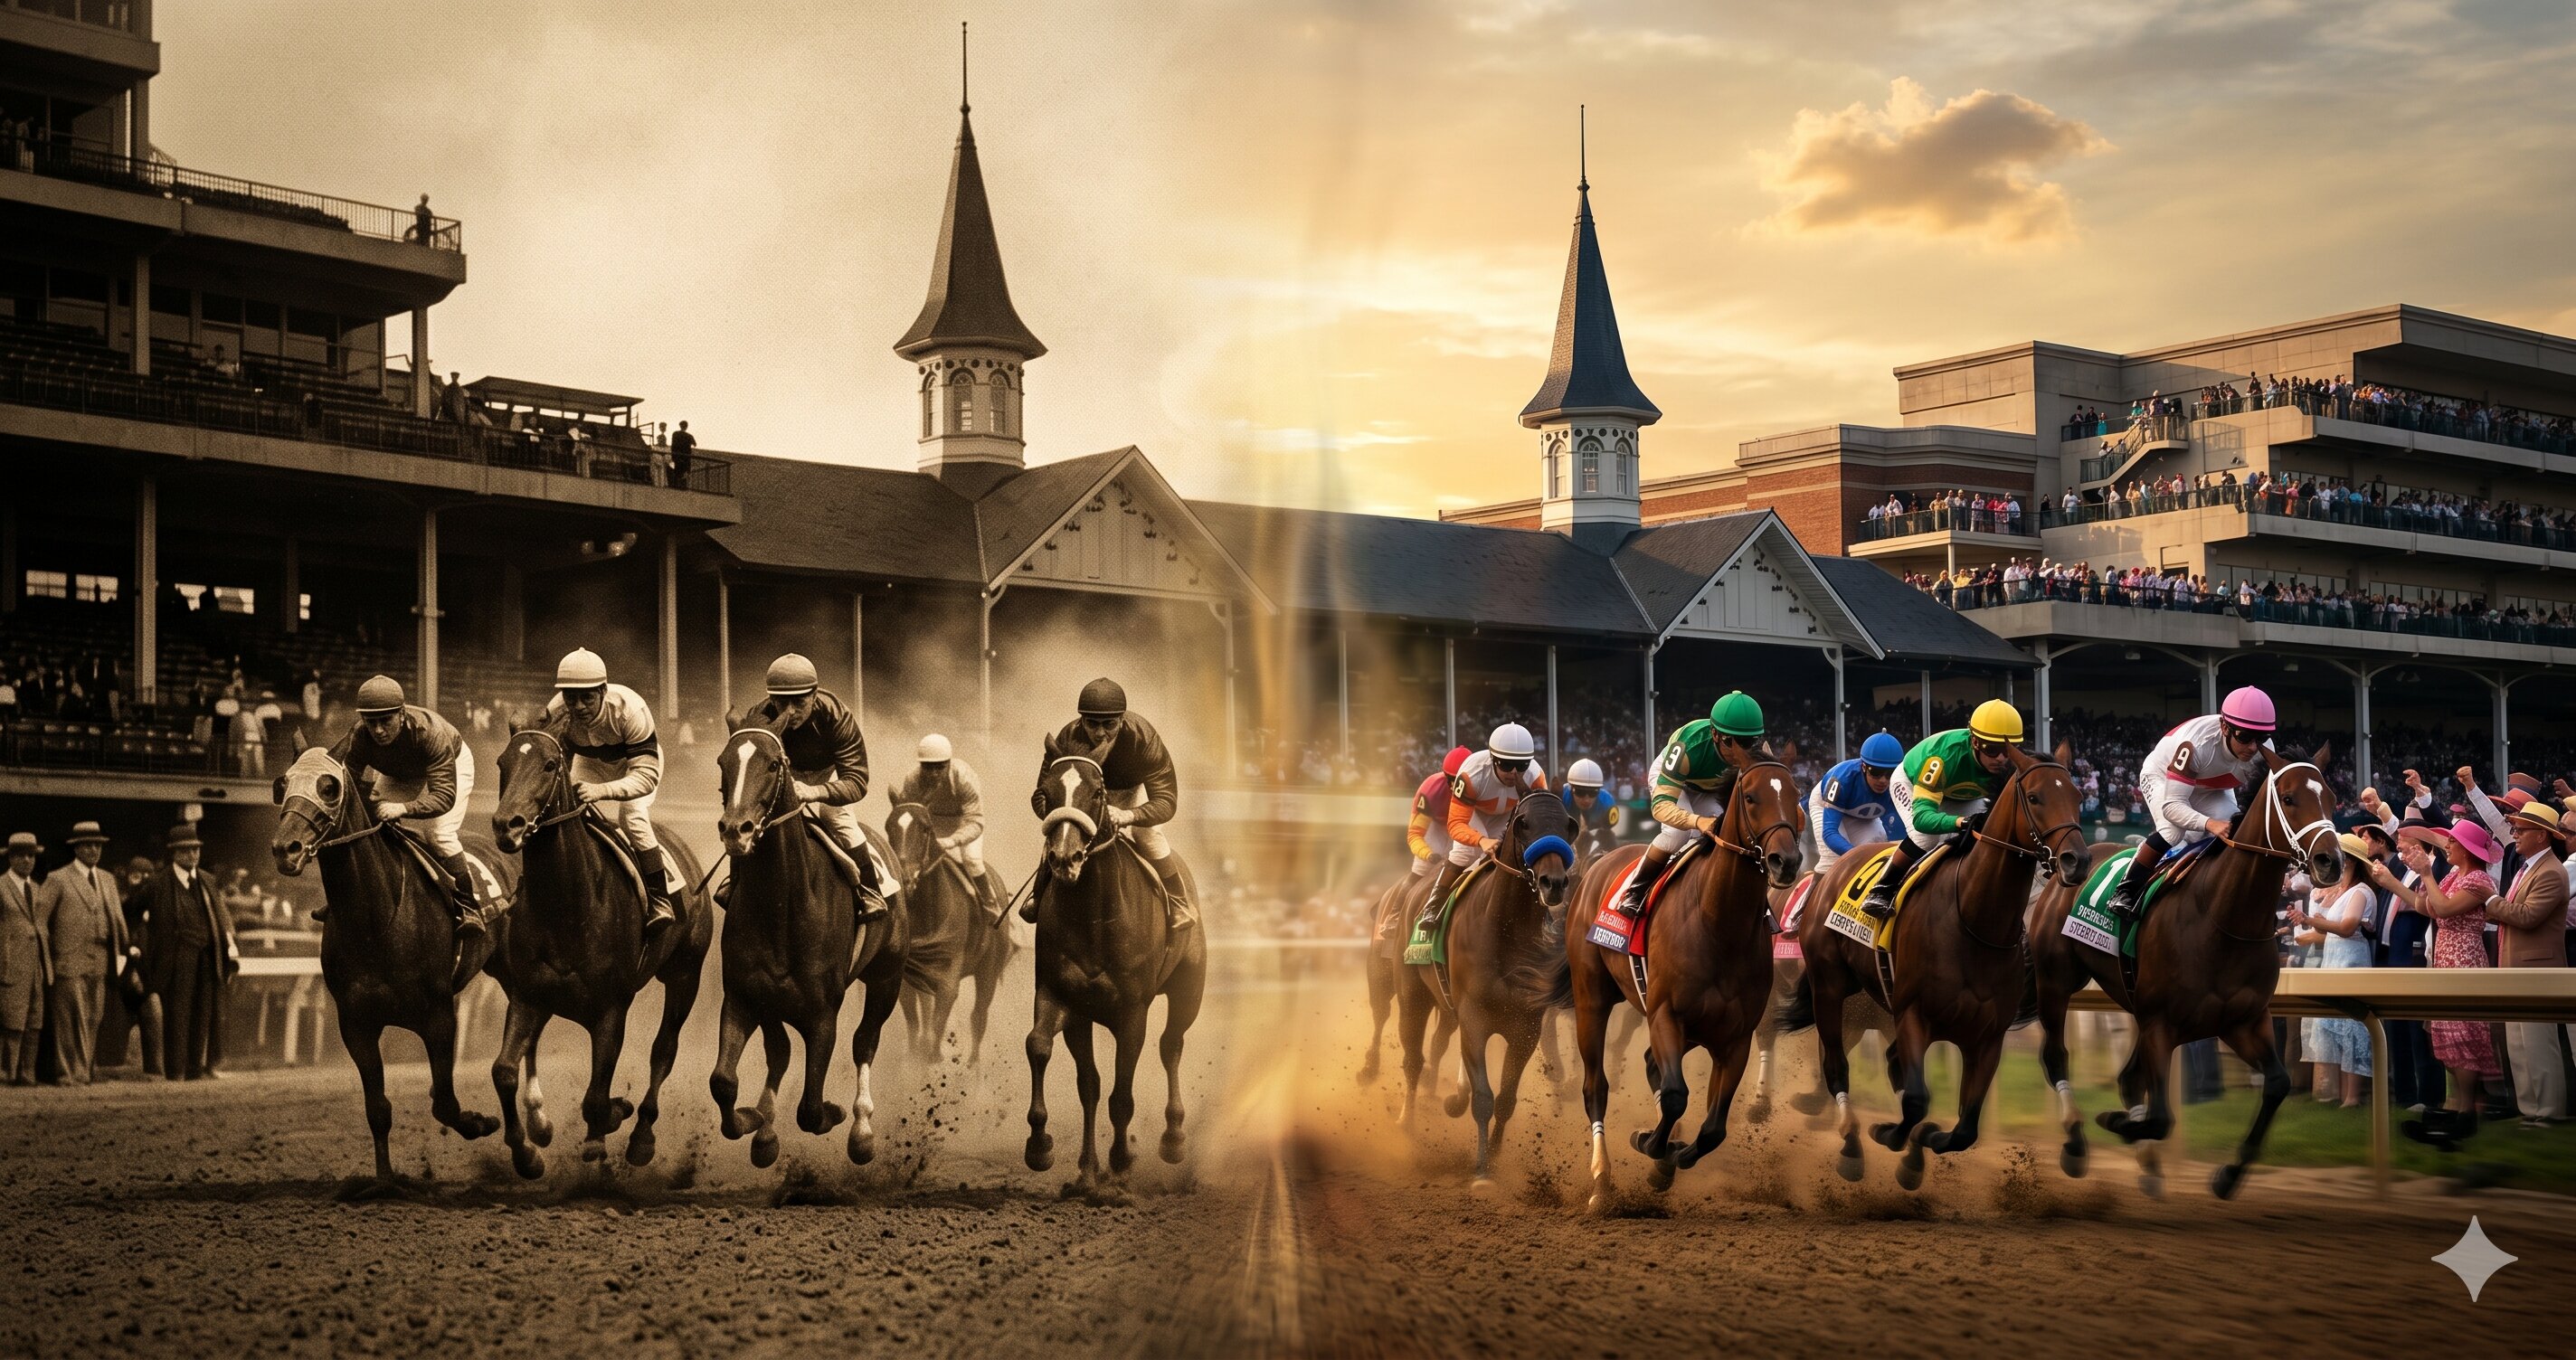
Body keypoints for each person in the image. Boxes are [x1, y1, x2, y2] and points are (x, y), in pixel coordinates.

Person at [319, 675, 488, 935]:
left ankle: (468, 905)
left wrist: (404, 808)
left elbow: (444, 796)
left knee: (438, 834)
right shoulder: (360, 735)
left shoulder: (431, 733)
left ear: (401, 713)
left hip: (451, 763)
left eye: (385, 721)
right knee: (367, 821)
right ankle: (343, 899)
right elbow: (348, 782)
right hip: (401, 772)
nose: (378, 731)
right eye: (370, 722)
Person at [1027, 678, 1193, 930]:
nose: (1100, 733)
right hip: (1084, 798)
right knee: (1062, 837)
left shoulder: (1143, 738)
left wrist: (1129, 815)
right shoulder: (1066, 739)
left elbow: (1167, 801)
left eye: (1109, 724)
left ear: (1122, 720)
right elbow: (1042, 795)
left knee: (1147, 835)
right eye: (1092, 724)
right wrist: (1063, 816)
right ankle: (1037, 897)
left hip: (1130, 794)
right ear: (1082, 720)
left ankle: (1178, 902)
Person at [2104, 686, 2277, 921]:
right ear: (2225, 727)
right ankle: (2126, 890)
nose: (2253, 748)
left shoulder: (2265, 752)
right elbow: (2172, 806)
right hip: (2162, 776)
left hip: (2211, 787)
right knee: (2173, 831)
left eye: (2261, 738)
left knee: (2237, 831)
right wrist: (2209, 823)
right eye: (2244, 737)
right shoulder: (2196, 743)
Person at [544, 647, 677, 939]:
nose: (577, 706)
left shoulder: (631, 709)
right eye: (570, 697)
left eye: (587, 697)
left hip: (635, 765)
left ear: (603, 690)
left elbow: (646, 777)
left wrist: (601, 790)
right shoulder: (555, 711)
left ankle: (659, 899)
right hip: (589, 762)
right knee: (562, 815)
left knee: (633, 818)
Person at [744, 654, 886, 923]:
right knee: (749, 819)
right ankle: (735, 880)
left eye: (799, 702)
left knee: (839, 819)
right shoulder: (759, 716)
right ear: (769, 697)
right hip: (781, 773)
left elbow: (857, 780)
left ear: (815, 694)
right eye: (780, 701)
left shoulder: (838, 717)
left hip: (827, 775)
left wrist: (815, 792)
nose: (789, 712)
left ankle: (869, 891)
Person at [1860, 699, 2025, 921]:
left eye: (2007, 750)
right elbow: (1922, 819)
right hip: (1911, 782)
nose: (2001, 759)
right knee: (1926, 837)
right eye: (1993, 750)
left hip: (1964, 795)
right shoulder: (1942, 758)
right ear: (1975, 742)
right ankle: (1882, 888)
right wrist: (1960, 822)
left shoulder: (2010, 763)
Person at [2394, 820, 2503, 1148]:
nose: (2448, 848)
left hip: (2465, 960)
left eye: (2453, 843)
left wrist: (2426, 873)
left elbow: (2441, 907)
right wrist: (2388, 881)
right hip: (2448, 959)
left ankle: (2467, 1112)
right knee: (2448, 1038)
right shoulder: (2456, 875)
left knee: (2463, 1038)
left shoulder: (2479, 880)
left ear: (2468, 849)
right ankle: (2462, 1109)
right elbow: (2425, 906)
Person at [1614, 693, 1766, 921]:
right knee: (1678, 835)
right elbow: (1661, 807)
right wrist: (1697, 820)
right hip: (1676, 781)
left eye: (1748, 743)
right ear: (1714, 734)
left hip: (1710, 790)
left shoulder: (1760, 751)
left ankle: (1758, 903)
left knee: (1729, 836)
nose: (1739, 752)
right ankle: (1635, 891)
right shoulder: (1688, 745)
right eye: (1729, 742)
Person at [2486, 799, 2569, 1126]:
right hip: (2517, 966)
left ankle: (2550, 1112)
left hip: (2537, 970)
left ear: (2542, 836)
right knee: (2519, 1045)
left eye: (2521, 829)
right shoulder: (2530, 868)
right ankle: (2530, 1110)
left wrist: (2490, 901)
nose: (2514, 833)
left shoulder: (2551, 872)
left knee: (2538, 1044)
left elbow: (2528, 916)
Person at [135, 824, 235, 1081]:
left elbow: (222, 919)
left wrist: (229, 950)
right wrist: (138, 946)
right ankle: (175, 1071)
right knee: (177, 1015)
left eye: (196, 850)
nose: (192, 855)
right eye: (186, 850)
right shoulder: (157, 884)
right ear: (174, 854)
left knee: (203, 1014)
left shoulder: (207, 881)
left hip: (206, 958)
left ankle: (195, 1070)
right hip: (174, 960)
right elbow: (130, 913)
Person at [2287, 834, 2376, 1108]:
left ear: (2347, 860)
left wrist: (2309, 920)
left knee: (2352, 1028)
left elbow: (2348, 927)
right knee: (2336, 1026)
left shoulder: (2361, 891)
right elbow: (2332, 925)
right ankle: (2341, 1095)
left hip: (2351, 961)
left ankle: (2352, 1097)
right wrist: (2313, 921)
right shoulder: (2344, 891)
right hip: (2335, 959)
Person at [34, 821, 127, 1085]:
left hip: (100, 959)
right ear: (75, 848)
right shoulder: (58, 879)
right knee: (67, 1019)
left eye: (97, 845)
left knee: (93, 1016)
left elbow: (118, 921)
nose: (93, 850)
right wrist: (50, 956)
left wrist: (121, 952)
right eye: (87, 845)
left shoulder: (107, 880)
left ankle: (85, 1070)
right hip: (68, 958)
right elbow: (40, 919)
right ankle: (67, 1073)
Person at [888, 732, 999, 920]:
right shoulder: (912, 779)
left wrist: (952, 840)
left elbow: (976, 821)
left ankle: (990, 904)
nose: (933, 774)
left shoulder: (964, 777)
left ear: (949, 763)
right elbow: (909, 815)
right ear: (920, 765)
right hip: (931, 823)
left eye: (940, 768)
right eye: (928, 768)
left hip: (964, 822)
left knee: (971, 859)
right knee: (910, 860)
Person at [1809, 731, 1907, 878]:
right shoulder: (1841, 780)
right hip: (1826, 804)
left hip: (1860, 813)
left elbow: (1901, 836)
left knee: (1878, 849)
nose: (1883, 780)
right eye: (1876, 772)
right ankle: (1807, 900)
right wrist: (1857, 855)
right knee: (1834, 861)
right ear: (1863, 767)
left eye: (1890, 774)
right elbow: (1829, 832)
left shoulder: (1900, 785)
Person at [0, 832, 48, 1086]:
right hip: (10, 964)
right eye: (21, 856)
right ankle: (7, 1073)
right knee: (11, 1020)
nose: (27, 861)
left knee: (34, 1020)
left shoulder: (38, 889)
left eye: (31, 856)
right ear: (11, 858)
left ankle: (28, 1072)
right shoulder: (1, 887)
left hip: (36, 967)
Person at [1405, 746, 1473, 883]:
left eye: (1463, 779)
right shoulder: (1430, 790)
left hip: (1465, 828)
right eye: (1454, 780)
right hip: (1436, 830)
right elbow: (1414, 834)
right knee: (1421, 869)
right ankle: (1398, 904)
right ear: (1446, 777)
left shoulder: (1481, 787)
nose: (1458, 786)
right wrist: (1428, 855)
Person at [1559, 757, 1607, 832]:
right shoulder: (1561, 797)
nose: (1586, 800)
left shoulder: (1607, 804)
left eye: (1593, 792)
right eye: (1580, 792)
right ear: (1571, 789)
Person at [668, 420, 696, 489]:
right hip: (686, 457)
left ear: (680, 426)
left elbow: (673, 445)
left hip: (677, 456)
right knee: (684, 472)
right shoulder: (689, 436)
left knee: (677, 472)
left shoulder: (675, 434)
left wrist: (673, 455)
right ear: (686, 427)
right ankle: (683, 487)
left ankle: (676, 487)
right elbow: (694, 444)